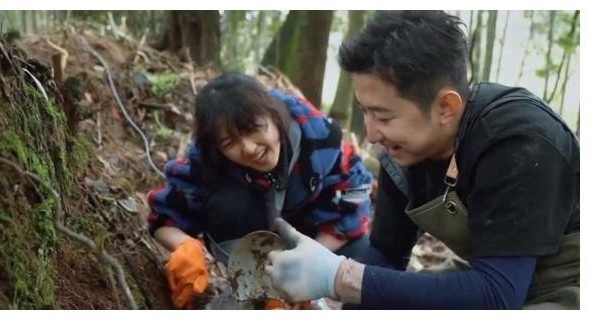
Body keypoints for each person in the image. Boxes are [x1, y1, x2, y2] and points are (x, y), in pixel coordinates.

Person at [265, 10, 579, 309]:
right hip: (492, 271)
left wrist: (341, 277)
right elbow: (386, 255)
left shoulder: (519, 141)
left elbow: (499, 296)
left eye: (383, 116)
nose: (371, 134)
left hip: (568, 282)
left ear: (445, 107)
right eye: (365, 111)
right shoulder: (405, 152)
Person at [146, 72, 374, 309]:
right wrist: (185, 245)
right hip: (253, 238)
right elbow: (163, 215)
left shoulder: (320, 137)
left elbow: (353, 207)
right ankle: (258, 294)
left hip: (314, 235)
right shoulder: (208, 158)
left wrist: (307, 267)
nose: (249, 149)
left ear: (274, 115)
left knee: (368, 256)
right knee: (231, 204)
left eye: (252, 128)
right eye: (229, 143)